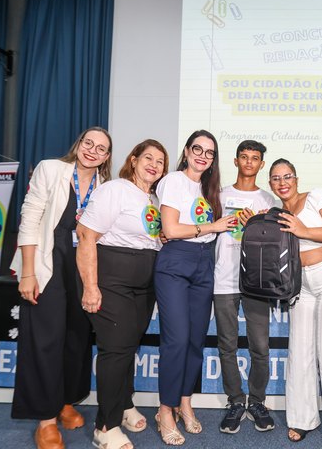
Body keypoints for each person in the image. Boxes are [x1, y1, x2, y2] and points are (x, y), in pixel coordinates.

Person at [10, 127, 112, 449]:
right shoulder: (51, 169)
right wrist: (28, 272)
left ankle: (66, 400)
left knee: (76, 339)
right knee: (45, 340)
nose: (92, 151)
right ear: (79, 144)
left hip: (82, 267)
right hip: (47, 260)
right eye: (88, 143)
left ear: (107, 157)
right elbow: (29, 219)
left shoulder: (106, 187)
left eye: (101, 148)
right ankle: (45, 419)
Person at [76, 139, 168, 449]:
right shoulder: (114, 189)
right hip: (112, 279)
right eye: (148, 158)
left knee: (128, 347)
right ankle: (105, 426)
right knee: (115, 351)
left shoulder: (154, 198)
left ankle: (124, 405)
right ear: (133, 159)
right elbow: (87, 235)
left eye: (161, 161)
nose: (154, 164)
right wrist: (90, 286)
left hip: (145, 283)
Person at [266, 158, 322, 445]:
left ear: (297, 178)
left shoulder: (317, 197)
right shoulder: (278, 212)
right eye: (276, 178)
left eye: (287, 176)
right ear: (270, 184)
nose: (282, 182)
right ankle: (301, 419)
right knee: (300, 351)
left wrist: (302, 230)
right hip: (300, 284)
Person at [154, 130, 238, 445]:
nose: (203, 156)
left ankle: (184, 402)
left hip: (204, 264)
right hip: (176, 262)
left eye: (209, 152)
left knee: (194, 341)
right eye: (197, 149)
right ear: (187, 151)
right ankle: (164, 410)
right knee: (175, 340)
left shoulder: (209, 189)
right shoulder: (174, 181)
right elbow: (171, 229)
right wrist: (212, 226)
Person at [213, 140, 277, 434]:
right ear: (236, 160)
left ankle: (257, 401)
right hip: (223, 279)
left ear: (262, 164)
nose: (249, 162)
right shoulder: (218, 194)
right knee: (227, 345)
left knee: (260, 347)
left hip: (256, 282)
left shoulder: (269, 199)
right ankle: (235, 401)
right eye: (244, 157)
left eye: (255, 158)